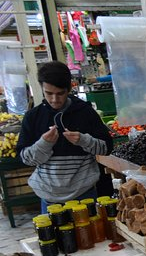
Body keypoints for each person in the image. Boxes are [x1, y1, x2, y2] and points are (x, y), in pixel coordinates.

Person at [16, 61, 113, 213]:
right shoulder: (33, 117)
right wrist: (43, 144)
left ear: (69, 89)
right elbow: (25, 159)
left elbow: (106, 148)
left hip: (85, 196)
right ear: (42, 89)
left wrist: (83, 140)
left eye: (60, 93)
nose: (54, 99)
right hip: (49, 200)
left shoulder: (85, 112)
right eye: (49, 93)